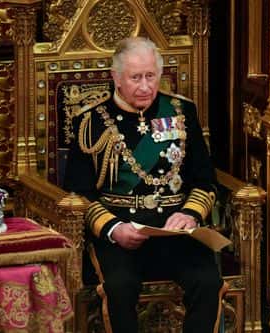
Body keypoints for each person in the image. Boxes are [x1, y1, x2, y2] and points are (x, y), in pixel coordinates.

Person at [64, 37, 225, 333]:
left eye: (151, 76)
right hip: (121, 233)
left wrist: (190, 214)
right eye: (135, 77)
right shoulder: (91, 121)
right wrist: (114, 229)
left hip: (176, 230)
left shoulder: (181, 112)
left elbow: (204, 178)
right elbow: (79, 192)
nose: (145, 86)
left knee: (208, 281)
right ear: (116, 77)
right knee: (119, 286)